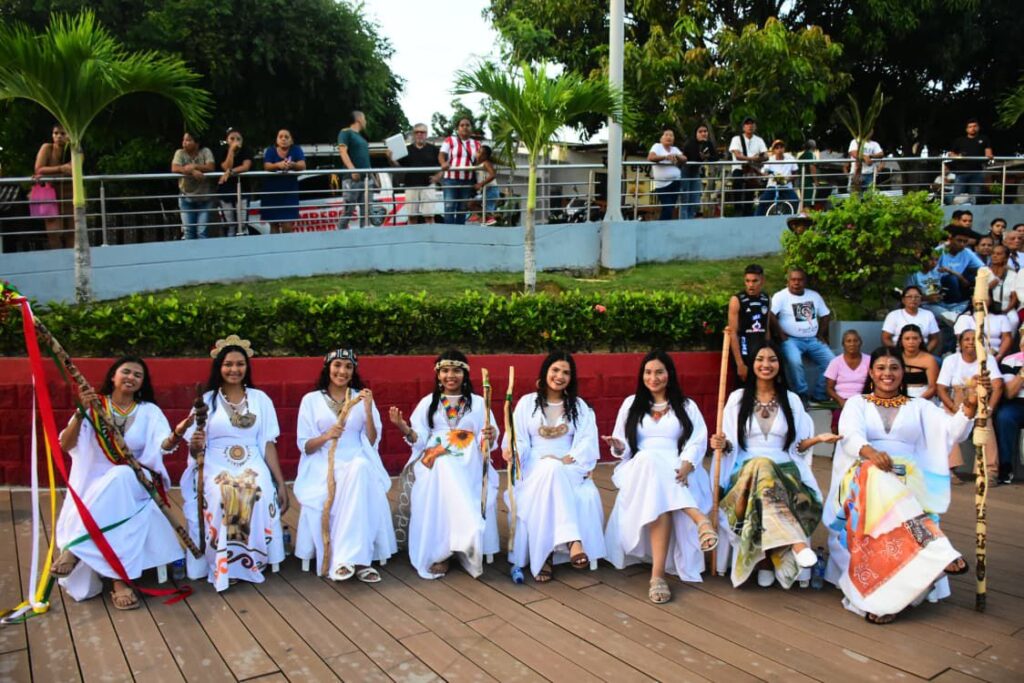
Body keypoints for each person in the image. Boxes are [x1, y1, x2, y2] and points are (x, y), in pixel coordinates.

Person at [826, 347, 978, 624]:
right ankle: (934, 547)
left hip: (909, 480)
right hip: (864, 475)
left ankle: (891, 600)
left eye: (894, 367)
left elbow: (951, 432)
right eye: (881, 367)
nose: (887, 373)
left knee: (893, 491)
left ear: (902, 372)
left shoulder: (919, 406)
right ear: (871, 372)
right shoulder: (857, 403)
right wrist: (871, 453)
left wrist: (969, 405)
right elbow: (849, 434)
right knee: (875, 473)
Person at [52, 357, 185, 609]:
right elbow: (66, 445)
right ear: (113, 376)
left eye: (138, 375)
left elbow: (163, 446)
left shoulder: (149, 411)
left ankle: (76, 549)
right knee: (116, 497)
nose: (131, 377)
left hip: (138, 480)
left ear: (142, 383)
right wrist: (81, 412)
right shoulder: (95, 405)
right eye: (126, 372)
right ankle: (118, 580)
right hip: (95, 484)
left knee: (122, 474)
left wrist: (176, 436)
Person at [710, 343, 838, 588]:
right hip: (744, 471)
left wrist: (817, 439)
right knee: (761, 464)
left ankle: (765, 564)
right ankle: (793, 544)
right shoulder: (737, 399)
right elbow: (729, 446)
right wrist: (721, 443)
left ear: (781, 365)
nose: (766, 364)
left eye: (772, 359)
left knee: (765, 468)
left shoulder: (791, 400)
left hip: (785, 470)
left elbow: (797, 448)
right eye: (760, 359)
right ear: (752, 364)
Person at [602, 350, 718, 605]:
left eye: (659, 372)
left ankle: (657, 576)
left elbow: (698, 441)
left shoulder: (687, 406)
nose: (653, 378)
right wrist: (618, 446)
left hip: (678, 468)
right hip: (640, 468)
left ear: (669, 374)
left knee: (658, 490)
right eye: (648, 372)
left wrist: (687, 464)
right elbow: (623, 445)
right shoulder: (631, 404)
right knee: (648, 459)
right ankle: (698, 518)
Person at [182, 335, 289, 590]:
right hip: (215, 462)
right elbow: (194, 448)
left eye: (240, 364)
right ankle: (224, 564)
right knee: (223, 493)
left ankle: (252, 561)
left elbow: (268, 443)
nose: (234, 369)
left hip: (252, 459)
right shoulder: (207, 400)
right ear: (219, 367)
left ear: (247, 367)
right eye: (228, 364)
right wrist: (195, 444)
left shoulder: (260, 399)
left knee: (257, 490)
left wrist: (281, 483)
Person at [387, 350, 499, 579]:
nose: (450, 375)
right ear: (438, 374)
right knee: (443, 464)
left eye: (456, 370)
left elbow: (487, 438)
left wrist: (491, 435)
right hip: (434, 456)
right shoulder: (428, 402)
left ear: (465, 374)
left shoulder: (479, 403)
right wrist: (404, 428)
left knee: (449, 466)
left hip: (469, 458)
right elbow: (419, 439)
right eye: (445, 370)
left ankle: (462, 540)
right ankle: (447, 548)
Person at [293, 349, 396, 582]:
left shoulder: (361, 397)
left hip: (358, 458)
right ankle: (358, 561)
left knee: (360, 467)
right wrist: (326, 436)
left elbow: (371, 441)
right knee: (356, 475)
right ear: (328, 368)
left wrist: (368, 410)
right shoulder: (311, 400)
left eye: (348, 367)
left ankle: (350, 560)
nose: (342, 371)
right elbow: (305, 446)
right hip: (323, 463)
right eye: (337, 365)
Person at [503, 351, 606, 582]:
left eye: (566, 373)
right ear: (545, 372)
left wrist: (567, 458)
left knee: (553, 468)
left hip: (568, 464)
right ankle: (572, 540)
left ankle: (546, 556)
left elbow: (587, 441)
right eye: (555, 370)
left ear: (571, 378)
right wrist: (513, 450)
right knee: (549, 467)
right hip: (533, 465)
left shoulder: (578, 406)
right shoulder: (527, 403)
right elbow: (518, 438)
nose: (560, 376)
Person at [937, 329, 1002, 479]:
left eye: (975, 339)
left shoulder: (988, 359)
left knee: (985, 424)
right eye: (966, 339)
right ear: (960, 343)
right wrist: (953, 407)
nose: (971, 342)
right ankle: (948, 469)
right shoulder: (951, 360)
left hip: (980, 402)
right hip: (955, 400)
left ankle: (988, 471)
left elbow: (998, 385)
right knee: (947, 423)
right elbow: (941, 388)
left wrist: (990, 408)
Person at [771, 267, 834, 403]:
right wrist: (781, 334)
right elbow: (770, 315)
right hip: (791, 340)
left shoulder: (814, 296)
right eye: (793, 279)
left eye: (800, 280)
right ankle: (801, 395)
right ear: (788, 281)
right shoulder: (780, 296)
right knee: (795, 362)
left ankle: (819, 394)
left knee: (832, 361)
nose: (796, 283)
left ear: (805, 281)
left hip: (813, 339)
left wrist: (821, 334)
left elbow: (826, 315)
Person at [727, 263, 772, 382]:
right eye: (747, 281)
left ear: (762, 281)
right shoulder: (736, 300)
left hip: (761, 350)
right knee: (744, 387)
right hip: (744, 350)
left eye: (755, 281)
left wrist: (769, 351)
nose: (751, 285)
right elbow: (733, 333)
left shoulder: (766, 298)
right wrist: (740, 364)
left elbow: (767, 329)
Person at [32, 123, 73, 249]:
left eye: (63, 133)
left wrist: (51, 171)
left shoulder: (74, 149)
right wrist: (61, 168)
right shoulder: (47, 148)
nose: (59, 136)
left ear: (69, 135)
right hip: (50, 193)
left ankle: (72, 258)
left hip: (71, 193)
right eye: (56, 133)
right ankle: (57, 257)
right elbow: (39, 169)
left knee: (72, 231)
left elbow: (74, 168)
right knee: (53, 232)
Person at [261, 129, 306, 233]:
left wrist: (293, 165)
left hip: (289, 193)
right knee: (273, 225)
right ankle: (275, 244)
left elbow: (303, 165)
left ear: (291, 140)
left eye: (286, 137)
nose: (283, 139)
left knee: (287, 225)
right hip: (271, 193)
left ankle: (288, 243)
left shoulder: (296, 149)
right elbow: (267, 166)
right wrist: (278, 165)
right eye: (280, 136)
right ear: (276, 140)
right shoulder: (270, 150)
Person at [171, 131, 215, 239]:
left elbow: (211, 167)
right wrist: (191, 171)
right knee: (189, 231)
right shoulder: (180, 153)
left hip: (204, 198)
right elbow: (175, 168)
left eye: (188, 140)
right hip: (186, 197)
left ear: (197, 143)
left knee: (202, 231)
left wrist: (195, 166)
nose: (184, 143)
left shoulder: (205, 151)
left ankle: (203, 250)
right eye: (184, 140)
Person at [824, 330, 870, 431]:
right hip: (840, 400)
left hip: (862, 399)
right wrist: (841, 401)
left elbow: (875, 383)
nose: (852, 344)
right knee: (838, 427)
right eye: (848, 341)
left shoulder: (869, 360)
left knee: (862, 426)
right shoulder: (835, 362)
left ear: (860, 343)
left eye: (855, 340)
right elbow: (829, 388)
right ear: (843, 344)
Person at [438, 118, 481, 225]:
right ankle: (449, 232)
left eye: (467, 125)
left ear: (471, 128)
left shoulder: (476, 144)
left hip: (467, 181)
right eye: (462, 125)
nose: (465, 127)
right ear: (457, 129)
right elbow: (441, 154)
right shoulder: (450, 140)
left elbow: (481, 160)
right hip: (450, 180)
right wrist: (443, 163)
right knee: (449, 207)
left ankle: (459, 231)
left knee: (462, 208)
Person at [995, 331, 1024, 484]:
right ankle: (1005, 467)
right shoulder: (1010, 360)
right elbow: (1009, 393)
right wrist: (1022, 373)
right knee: (1004, 417)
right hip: (1016, 404)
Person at [397, 123, 441, 224]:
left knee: (429, 216)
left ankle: (431, 234)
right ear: (413, 134)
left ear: (426, 134)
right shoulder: (406, 150)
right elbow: (397, 166)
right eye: (417, 132)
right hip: (411, 186)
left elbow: (442, 165)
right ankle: (412, 235)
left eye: (422, 132)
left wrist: (438, 177)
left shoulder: (434, 149)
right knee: (412, 217)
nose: (420, 134)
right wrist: (390, 158)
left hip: (428, 186)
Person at [337, 111, 374, 228]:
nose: (366, 121)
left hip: (367, 180)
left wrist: (373, 177)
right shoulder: (346, 132)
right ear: (359, 119)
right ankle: (339, 234)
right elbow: (342, 151)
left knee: (366, 212)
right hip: (352, 179)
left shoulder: (361, 138)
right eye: (365, 119)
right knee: (348, 210)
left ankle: (365, 235)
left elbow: (365, 160)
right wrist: (352, 170)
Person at [215, 128, 252, 237]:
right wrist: (231, 150)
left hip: (242, 190)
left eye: (238, 139)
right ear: (227, 140)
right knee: (230, 224)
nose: (235, 141)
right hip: (226, 191)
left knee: (242, 224)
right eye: (232, 138)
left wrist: (230, 172)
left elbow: (246, 166)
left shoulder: (246, 150)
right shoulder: (222, 151)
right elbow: (226, 166)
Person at [881, 286, 940, 353]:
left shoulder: (928, 314)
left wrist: (924, 354)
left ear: (920, 300)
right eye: (909, 296)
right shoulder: (893, 315)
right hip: (898, 353)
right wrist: (897, 354)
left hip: (922, 352)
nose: (913, 299)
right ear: (903, 300)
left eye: (917, 297)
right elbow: (885, 338)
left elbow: (934, 339)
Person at [728, 117, 768, 217]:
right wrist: (753, 158)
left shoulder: (759, 140)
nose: (750, 126)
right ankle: (737, 210)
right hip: (739, 169)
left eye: (752, 123)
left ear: (755, 126)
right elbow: (738, 156)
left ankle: (748, 212)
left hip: (752, 170)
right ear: (743, 127)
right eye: (747, 124)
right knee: (737, 184)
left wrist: (757, 158)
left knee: (750, 191)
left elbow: (766, 156)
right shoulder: (736, 139)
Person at [949, 118, 994, 203]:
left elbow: (988, 153)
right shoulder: (959, 140)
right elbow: (951, 154)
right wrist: (958, 156)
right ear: (966, 129)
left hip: (977, 172)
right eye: (970, 127)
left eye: (974, 126)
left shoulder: (984, 139)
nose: (973, 128)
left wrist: (989, 155)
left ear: (978, 128)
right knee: (957, 198)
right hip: (961, 173)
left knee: (975, 197)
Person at [679, 123, 718, 219]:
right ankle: (684, 222)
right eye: (700, 132)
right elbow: (692, 158)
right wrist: (702, 157)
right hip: (685, 172)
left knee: (695, 200)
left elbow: (716, 157)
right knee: (685, 200)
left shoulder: (708, 143)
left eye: (705, 131)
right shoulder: (690, 143)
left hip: (696, 172)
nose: (703, 133)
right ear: (696, 133)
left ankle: (691, 220)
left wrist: (707, 157)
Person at [937, 225, 983, 304]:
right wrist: (959, 277)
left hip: (961, 283)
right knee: (952, 279)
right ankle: (956, 304)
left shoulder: (967, 252)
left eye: (965, 242)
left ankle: (977, 301)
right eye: (959, 240)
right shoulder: (939, 251)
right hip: (942, 285)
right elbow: (935, 275)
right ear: (951, 239)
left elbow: (983, 268)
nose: (962, 244)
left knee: (978, 275)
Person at [755, 140, 799, 215]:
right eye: (777, 148)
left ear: (784, 149)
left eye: (781, 147)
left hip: (786, 186)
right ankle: (757, 219)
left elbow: (795, 173)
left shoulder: (790, 158)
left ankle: (791, 217)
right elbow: (765, 172)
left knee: (795, 200)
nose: (779, 149)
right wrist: (762, 173)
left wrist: (787, 180)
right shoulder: (770, 160)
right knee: (763, 200)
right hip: (772, 186)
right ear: (774, 150)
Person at [648, 128, 684, 221]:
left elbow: (684, 159)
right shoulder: (657, 146)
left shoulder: (675, 149)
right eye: (666, 135)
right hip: (662, 184)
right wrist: (665, 157)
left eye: (671, 135)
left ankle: (665, 226)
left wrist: (677, 156)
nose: (669, 137)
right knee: (668, 208)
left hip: (675, 182)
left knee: (670, 208)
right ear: (661, 138)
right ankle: (661, 226)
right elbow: (651, 157)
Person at [897, 325, 939, 400]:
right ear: (901, 341)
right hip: (898, 396)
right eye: (907, 339)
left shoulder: (929, 359)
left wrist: (917, 402)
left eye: (915, 338)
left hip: (923, 396)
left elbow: (933, 388)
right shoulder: (895, 358)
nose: (911, 342)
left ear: (920, 340)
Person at [471, 144, 499, 225]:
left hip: (491, 190)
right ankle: (485, 216)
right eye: (478, 152)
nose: (478, 154)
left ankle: (489, 218)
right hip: (486, 191)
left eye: (480, 152)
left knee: (487, 212)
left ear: (485, 156)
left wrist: (481, 184)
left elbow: (493, 175)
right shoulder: (477, 164)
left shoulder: (486, 163)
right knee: (471, 204)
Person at [796, 139, 818, 211]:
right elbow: (812, 167)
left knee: (804, 203)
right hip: (809, 182)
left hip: (802, 182)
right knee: (809, 204)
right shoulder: (810, 154)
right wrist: (816, 181)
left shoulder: (801, 156)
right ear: (814, 147)